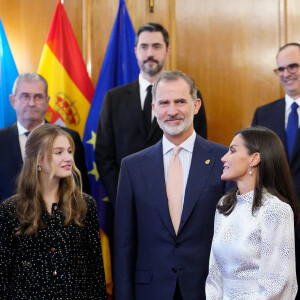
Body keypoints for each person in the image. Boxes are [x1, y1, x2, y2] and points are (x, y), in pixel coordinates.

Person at [114, 70, 229, 300]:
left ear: (196, 106)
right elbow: (124, 245)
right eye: (164, 103)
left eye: (180, 102)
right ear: (154, 109)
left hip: (208, 289)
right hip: (150, 291)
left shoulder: (223, 160)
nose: (172, 111)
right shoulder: (132, 167)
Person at [95, 22, 207, 206]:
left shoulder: (190, 97)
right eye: (144, 47)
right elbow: (103, 155)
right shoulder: (114, 99)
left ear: (168, 50)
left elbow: (198, 147)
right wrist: (123, 198)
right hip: (125, 201)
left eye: (156, 46)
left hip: (176, 202)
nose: (150, 54)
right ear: (135, 51)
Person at [0, 123, 106, 299]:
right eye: (59, 152)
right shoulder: (11, 210)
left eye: (69, 151)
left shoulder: (84, 205)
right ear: (39, 159)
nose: (68, 158)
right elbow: (3, 277)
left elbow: (95, 274)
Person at [206, 126, 299, 299]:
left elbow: (279, 286)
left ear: (254, 158)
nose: (224, 158)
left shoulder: (275, 210)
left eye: (232, 151)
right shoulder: (224, 205)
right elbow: (214, 275)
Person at [251, 43, 300, 298]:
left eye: (293, 66)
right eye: (280, 68)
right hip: (272, 224)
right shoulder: (264, 113)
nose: (286, 73)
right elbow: (252, 166)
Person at [0, 72, 90, 202]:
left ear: (47, 101)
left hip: (59, 218)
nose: (31, 103)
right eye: (25, 96)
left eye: (38, 97)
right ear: (13, 101)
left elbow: (80, 189)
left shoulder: (69, 137)